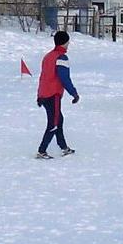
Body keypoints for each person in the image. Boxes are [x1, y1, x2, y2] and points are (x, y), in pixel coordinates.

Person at [36, 30, 79, 159]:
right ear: (65, 43)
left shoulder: (48, 56)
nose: (69, 44)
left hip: (44, 93)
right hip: (52, 94)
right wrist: (74, 93)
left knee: (59, 120)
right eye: (68, 42)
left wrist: (39, 94)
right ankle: (42, 151)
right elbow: (64, 78)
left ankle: (64, 147)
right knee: (54, 123)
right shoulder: (61, 57)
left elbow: (43, 77)